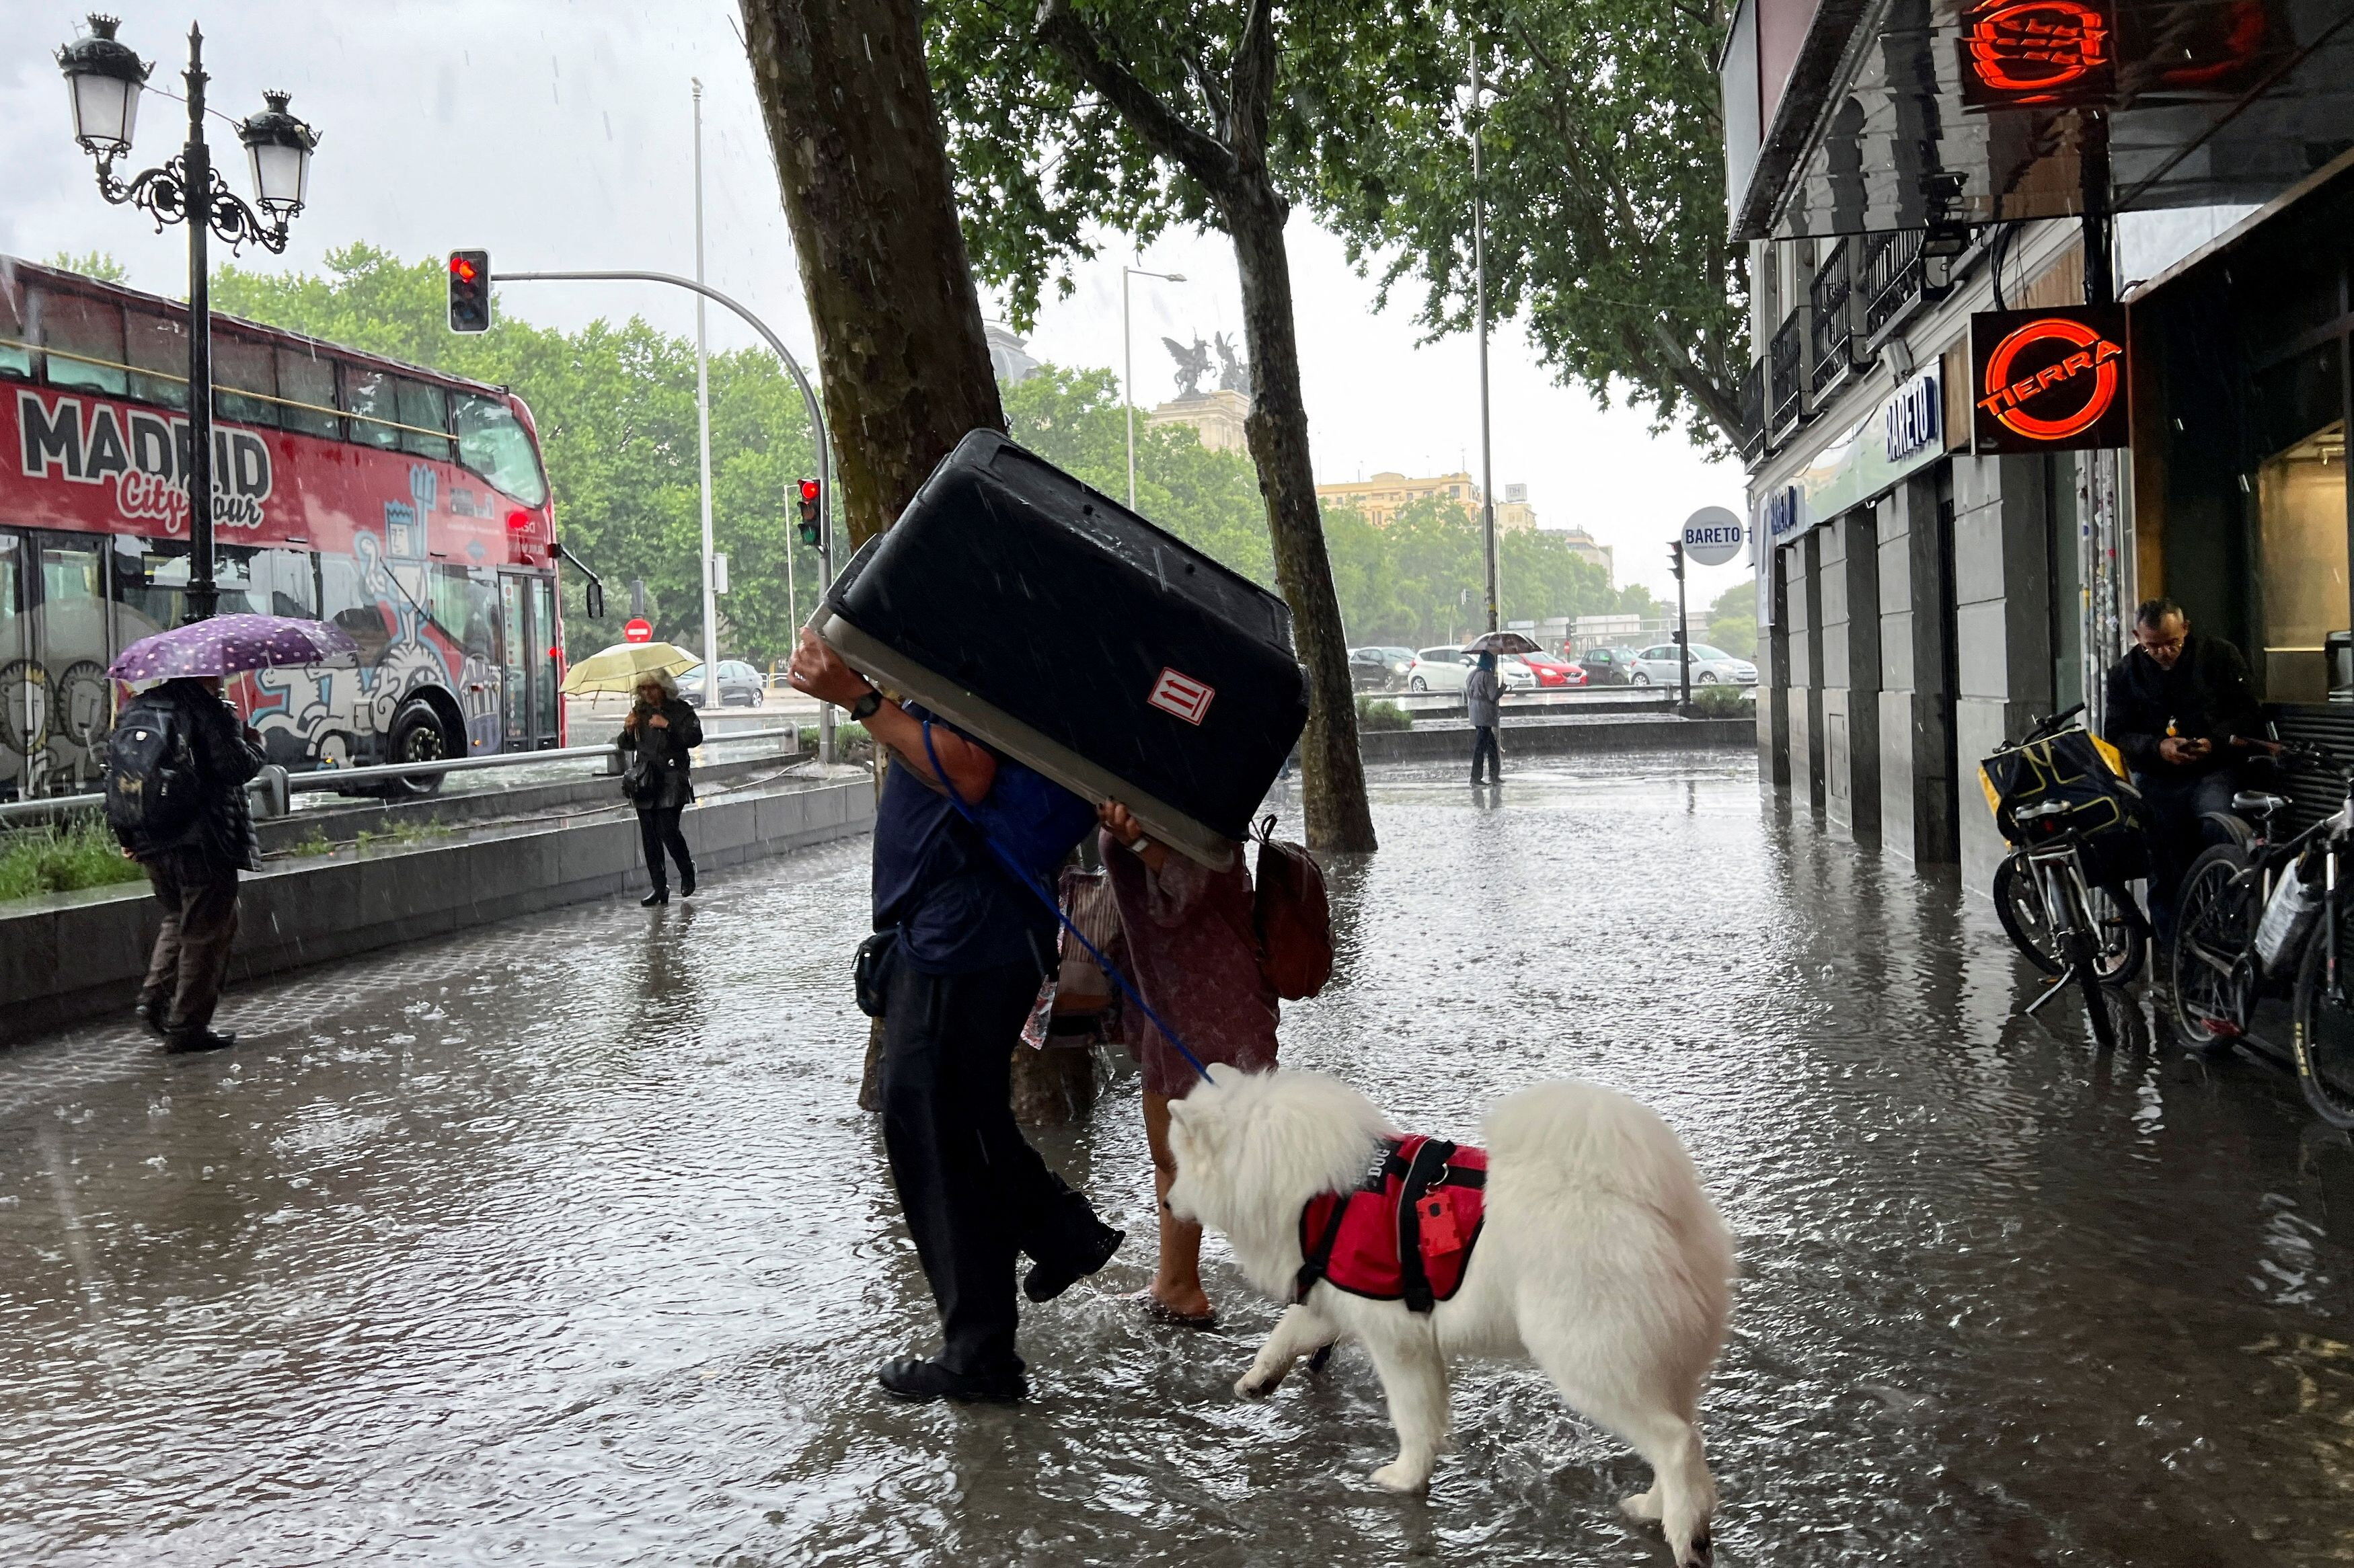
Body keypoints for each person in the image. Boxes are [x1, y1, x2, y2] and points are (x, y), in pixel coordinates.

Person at [788, 627, 1121, 1404]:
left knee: (932, 1130)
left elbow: (967, 773)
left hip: (962, 934)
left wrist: (859, 698)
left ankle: (980, 1354)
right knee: (961, 1117)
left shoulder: (982, 656)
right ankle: (1060, 1234)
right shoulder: (985, 653)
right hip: (964, 931)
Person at [1096, 799, 1279, 1327]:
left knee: (1243, 1158)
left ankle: (1331, 1278)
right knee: (1173, 1155)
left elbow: (1195, 880)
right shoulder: (1152, 775)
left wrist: (1134, 842)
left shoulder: (1191, 786)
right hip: (1168, 1000)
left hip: (1211, 1004)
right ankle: (1177, 1285)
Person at [113, 676, 265, 1054]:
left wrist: (128, 836)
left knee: (179, 917)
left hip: (152, 838)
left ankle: (156, 1001)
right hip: (203, 840)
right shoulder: (209, 710)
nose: (225, 674)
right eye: (220, 668)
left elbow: (120, 776)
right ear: (207, 671)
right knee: (205, 931)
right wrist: (257, 744)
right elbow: (235, 768)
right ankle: (187, 1027)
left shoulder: (139, 708)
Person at [2102, 598, 2267, 945]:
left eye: (2172, 643)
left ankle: (2233, 933)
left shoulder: (2219, 656)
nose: (2164, 652)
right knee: (2162, 860)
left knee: (2221, 827)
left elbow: (2249, 713)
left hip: (2215, 769)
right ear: (2137, 637)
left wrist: (2215, 741)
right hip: (2159, 777)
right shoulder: (2124, 673)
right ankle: (2175, 950)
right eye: (2153, 646)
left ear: (2186, 629)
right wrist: (2157, 747)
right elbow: (2117, 734)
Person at [617, 669, 702, 906]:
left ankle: (686, 870)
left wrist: (668, 726)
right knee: (649, 836)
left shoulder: (680, 709)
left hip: (672, 778)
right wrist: (627, 728)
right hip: (645, 779)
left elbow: (695, 737)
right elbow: (626, 744)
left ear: (663, 687)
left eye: (651, 687)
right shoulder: (639, 712)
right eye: (642, 688)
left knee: (667, 829)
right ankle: (659, 886)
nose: (646, 693)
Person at [1466, 650, 1505, 785]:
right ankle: (1476, 777)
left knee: (1491, 745)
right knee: (1481, 746)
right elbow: (1493, 696)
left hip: (1475, 711)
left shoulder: (1473, 674)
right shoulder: (1487, 676)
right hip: (1485, 713)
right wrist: (1502, 690)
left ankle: (1494, 775)